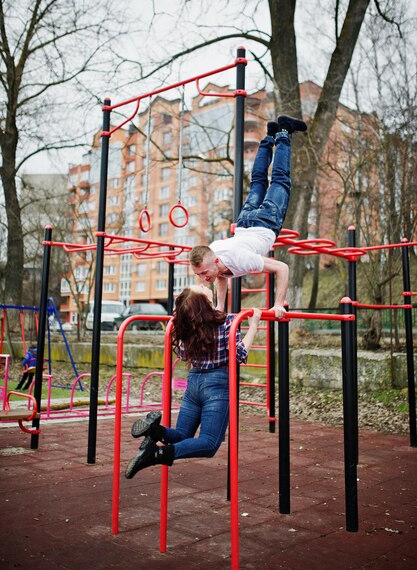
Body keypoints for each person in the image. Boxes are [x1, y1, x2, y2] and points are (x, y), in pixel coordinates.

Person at [125, 284, 261, 478]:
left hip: (194, 383)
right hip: (217, 385)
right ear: (203, 306)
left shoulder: (184, 326)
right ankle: (156, 454)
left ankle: (155, 430)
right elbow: (239, 354)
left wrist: (221, 293)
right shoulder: (228, 323)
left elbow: (191, 344)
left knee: (181, 435)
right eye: (203, 291)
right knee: (209, 443)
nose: (204, 285)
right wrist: (254, 325)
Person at [189, 114, 307, 318]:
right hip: (244, 222)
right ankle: (269, 135)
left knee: (280, 179)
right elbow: (221, 277)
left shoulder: (242, 260)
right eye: (199, 274)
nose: (203, 278)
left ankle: (284, 131)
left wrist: (278, 304)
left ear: (216, 261)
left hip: (265, 222)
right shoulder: (214, 253)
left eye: (204, 273)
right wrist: (220, 308)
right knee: (258, 181)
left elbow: (283, 268)